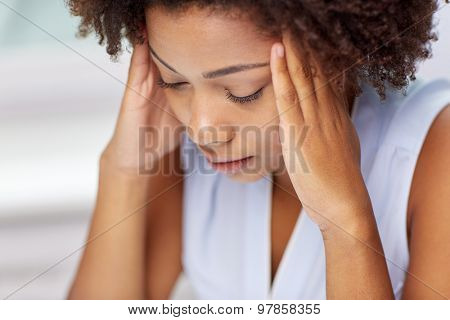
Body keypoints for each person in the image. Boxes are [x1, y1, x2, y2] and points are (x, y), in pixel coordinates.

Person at [66, 0, 450, 299]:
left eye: (244, 91)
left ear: (334, 52)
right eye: (175, 82)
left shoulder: (434, 151)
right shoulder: (176, 148)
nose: (203, 131)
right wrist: (120, 173)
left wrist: (346, 223)